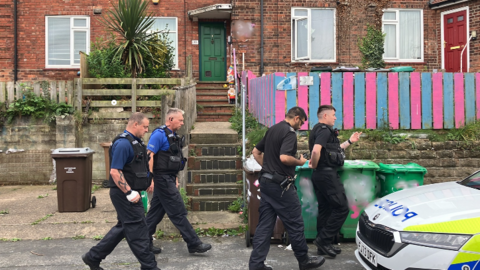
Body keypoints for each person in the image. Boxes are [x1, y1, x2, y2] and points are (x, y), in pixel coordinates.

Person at [249, 107, 325, 270]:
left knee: (264, 225)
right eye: (302, 122)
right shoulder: (289, 132)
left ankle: (256, 264)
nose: (301, 126)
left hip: (266, 183)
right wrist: (300, 161)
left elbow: (256, 152)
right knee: (295, 223)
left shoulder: (272, 129)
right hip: (281, 187)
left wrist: (269, 170)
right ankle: (304, 261)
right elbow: (284, 157)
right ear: (297, 118)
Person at [82, 112, 160, 270]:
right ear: (135, 124)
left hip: (131, 193)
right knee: (139, 230)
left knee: (123, 228)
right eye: (145, 127)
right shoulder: (124, 144)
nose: (147, 130)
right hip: (125, 195)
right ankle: (150, 266)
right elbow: (115, 172)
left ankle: (93, 257)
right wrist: (129, 192)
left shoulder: (135, 143)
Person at [146, 108, 211, 254]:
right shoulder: (159, 135)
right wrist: (150, 179)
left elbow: (172, 159)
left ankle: (143, 243)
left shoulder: (173, 136)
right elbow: (149, 156)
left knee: (155, 213)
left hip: (168, 177)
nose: (182, 122)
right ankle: (193, 243)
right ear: (170, 120)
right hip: (161, 179)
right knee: (178, 211)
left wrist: (174, 177)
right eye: (180, 120)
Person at [308, 105, 362, 258]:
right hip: (326, 175)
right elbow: (316, 151)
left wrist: (349, 142)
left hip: (319, 175)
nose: (335, 118)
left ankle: (322, 246)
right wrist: (315, 162)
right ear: (325, 116)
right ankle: (323, 240)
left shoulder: (317, 130)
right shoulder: (324, 130)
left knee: (325, 209)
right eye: (333, 115)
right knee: (342, 208)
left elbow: (333, 150)